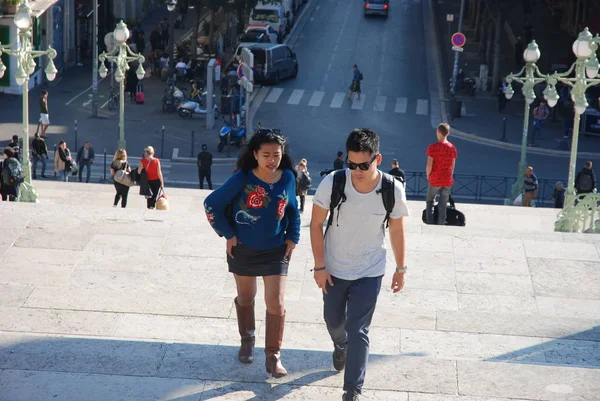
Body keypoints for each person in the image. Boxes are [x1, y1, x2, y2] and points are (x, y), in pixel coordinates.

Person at [310, 128, 409, 401]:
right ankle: (339, 344)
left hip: (370, 269)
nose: (357, 170)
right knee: (333, 320)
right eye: (351, 165)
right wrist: (319, 266)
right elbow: (316, 224)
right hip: (334, 267)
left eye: (363, 165)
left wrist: (401, 269)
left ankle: (352, 389)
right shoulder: (333, 182)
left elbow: (397, 231)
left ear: (378, 159)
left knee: (359, 329)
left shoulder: (391, 189)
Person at [203, 126, 300, 379]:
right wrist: (228, 233)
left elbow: (292, 209)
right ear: (255, 154)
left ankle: (273, 356)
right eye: (266, 154)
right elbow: (211, 203)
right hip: (243, 249)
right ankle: (247, 341)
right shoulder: (243, 178)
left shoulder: (288, 177)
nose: (272, 160)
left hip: (276, 250)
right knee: (246, 298)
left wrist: (293, 237)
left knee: (276, 302)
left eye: (276, 154)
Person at [425, 123, 457, 225]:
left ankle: (430, 223)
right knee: (443, 204)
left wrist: (428, 175)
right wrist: (450, 176)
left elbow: (429, 165)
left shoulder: (432, 147)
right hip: (447, 180)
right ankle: (441, 224)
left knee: (430, 201)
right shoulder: (452, 148)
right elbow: (452, 166)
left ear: (438, 132)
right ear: (448, 133)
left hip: (435, 179)